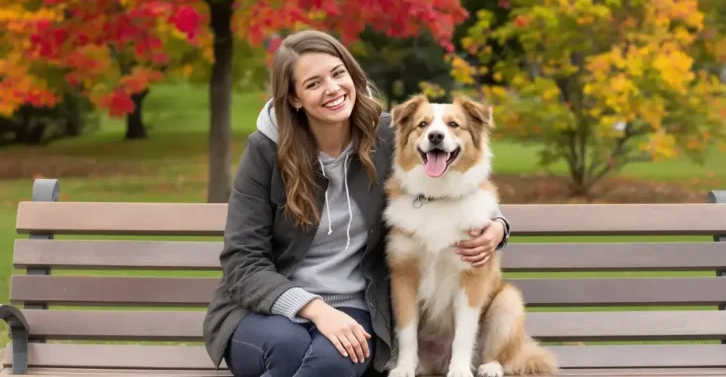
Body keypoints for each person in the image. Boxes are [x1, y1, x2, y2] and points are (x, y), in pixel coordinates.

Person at [202, 29, 511, 377]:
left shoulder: (385, 136)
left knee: (333, 362)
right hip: (267, 310)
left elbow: (452, 181)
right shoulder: (264, 152)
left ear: (352, 75)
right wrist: (314, 309)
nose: (332, 89)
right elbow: (242, 261)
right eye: (314, 83)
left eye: (338, 74)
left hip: (356, 311)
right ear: (294, 98)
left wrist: (498, 226)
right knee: (288, 350)